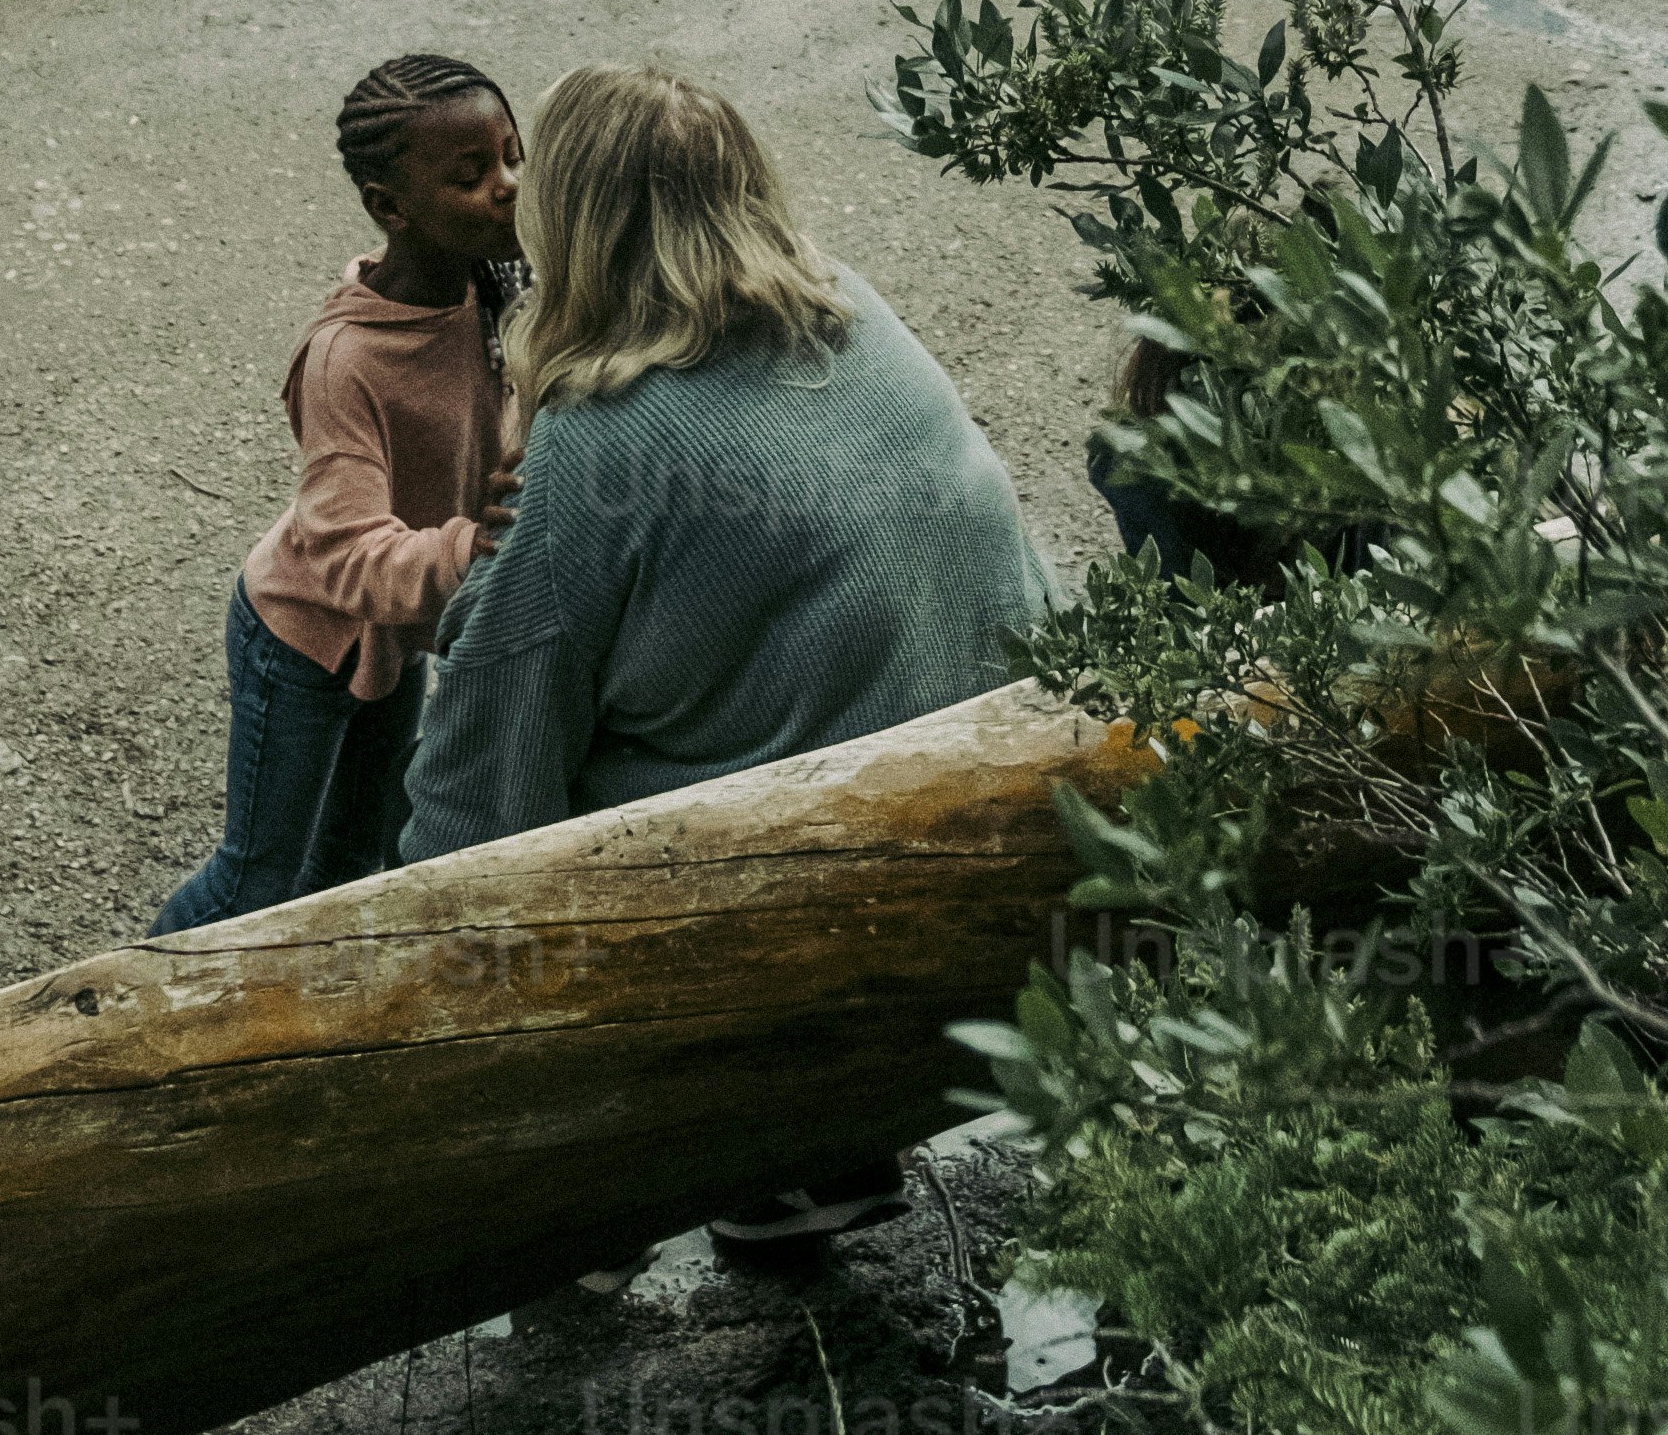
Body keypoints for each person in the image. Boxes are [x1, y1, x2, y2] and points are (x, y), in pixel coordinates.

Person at [398, 63, 1053, 862]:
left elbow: (483, 764)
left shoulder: (601, 429)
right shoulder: (849, 305)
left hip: (832, 860)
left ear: (571, 221)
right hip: (1025, 767)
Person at [151, 48, 525, 934]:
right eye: (471, 176)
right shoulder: (345, 360)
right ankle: (133, 1015)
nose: (508, 187)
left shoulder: (498, 284)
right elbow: (344, 551)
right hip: (302, 637)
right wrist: (474, 544)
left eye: (514, 157)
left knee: (355, 863)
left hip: (391, 636)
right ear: (390, 208)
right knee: (255, 884)